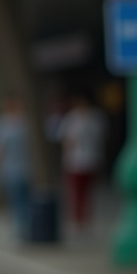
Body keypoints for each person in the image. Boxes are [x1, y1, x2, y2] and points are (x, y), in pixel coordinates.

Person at [56, 92, 107, 234]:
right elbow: (65, 139)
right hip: (74, 162)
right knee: (76, 193)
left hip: (91, 160)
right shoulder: (71, 119)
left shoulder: (95, 118)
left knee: (87, 192)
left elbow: (101, 137)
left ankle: (85, 219)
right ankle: (77, 220)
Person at [0, 95, 30, 240]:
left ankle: (21, 231)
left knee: (17, 202)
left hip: (14, 169)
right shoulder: (24, 124)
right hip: (19, 169)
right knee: (21, 201)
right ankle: (23, 229)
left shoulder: (3, 125)